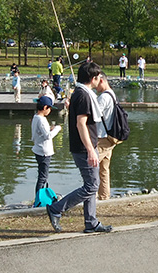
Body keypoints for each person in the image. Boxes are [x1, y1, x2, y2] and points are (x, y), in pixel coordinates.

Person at [45, 62, 113, 234]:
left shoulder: (81, 93)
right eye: (98, 77)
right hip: (84, 148)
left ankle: (91, 222)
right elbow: (81, 124)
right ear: (93, 78)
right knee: (92, 186)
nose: (100, 80)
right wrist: (90, 149)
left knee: (91, 184)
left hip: (88, 145)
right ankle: (56, 209)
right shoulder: (83, 95)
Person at [96, 72, 120, 200]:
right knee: (104, 169)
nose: (95, 86)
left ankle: (91, 196)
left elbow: (93, 115)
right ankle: (104, 196)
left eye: (96, 83)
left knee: (91, 167)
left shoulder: (104, 97)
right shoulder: (112, 95)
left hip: (102, 138)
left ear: (101, 81)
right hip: (111, 137)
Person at [31, 96, 61, 193]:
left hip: (38, 149)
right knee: (43, 177)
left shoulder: (36, 117)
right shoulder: (41, 119)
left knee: (42, 175)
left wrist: (49, 128)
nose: (50, 111)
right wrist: (57, 128)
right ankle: (39, 200)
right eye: (50, 108)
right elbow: (48, 136)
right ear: (45, 108)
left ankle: (40, 197)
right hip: (44, 151)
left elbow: (41, 132)